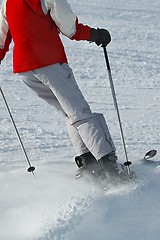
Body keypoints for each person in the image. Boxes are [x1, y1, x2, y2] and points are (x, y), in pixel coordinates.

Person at [0, 0, 118, 179]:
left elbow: (1, 40)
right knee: (81, 113)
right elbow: (70, 28)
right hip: (49, 63)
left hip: (26, 71)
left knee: (70, 113)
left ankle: (88, 162)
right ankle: (110, 170)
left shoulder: (8, 3)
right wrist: (96, 35)